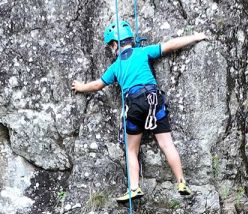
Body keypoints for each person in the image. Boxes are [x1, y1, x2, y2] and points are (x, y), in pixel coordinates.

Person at [71, 22, 208, 203]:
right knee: (167, 144)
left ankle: (134, 188)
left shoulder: (116, 66)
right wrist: (196, 37)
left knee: (131, 149)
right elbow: (171, 45)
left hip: (135, 104)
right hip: (154, 100)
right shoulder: (143, 52)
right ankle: (181, 182)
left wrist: (81, 87)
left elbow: (97, 85)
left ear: (115, 44)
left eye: (111, 46)